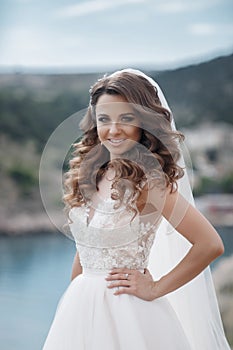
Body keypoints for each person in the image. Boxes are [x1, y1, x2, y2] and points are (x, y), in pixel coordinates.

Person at [42, 69, 231, 349]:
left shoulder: (150, 182)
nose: (113, 129)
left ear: (144, 123)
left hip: (128, 314)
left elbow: (210, 244)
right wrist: (73, 300)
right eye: (104, 119)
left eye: (126, 118)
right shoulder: (93, 173)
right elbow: (85, 249)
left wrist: (156, 287)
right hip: (80, 309)